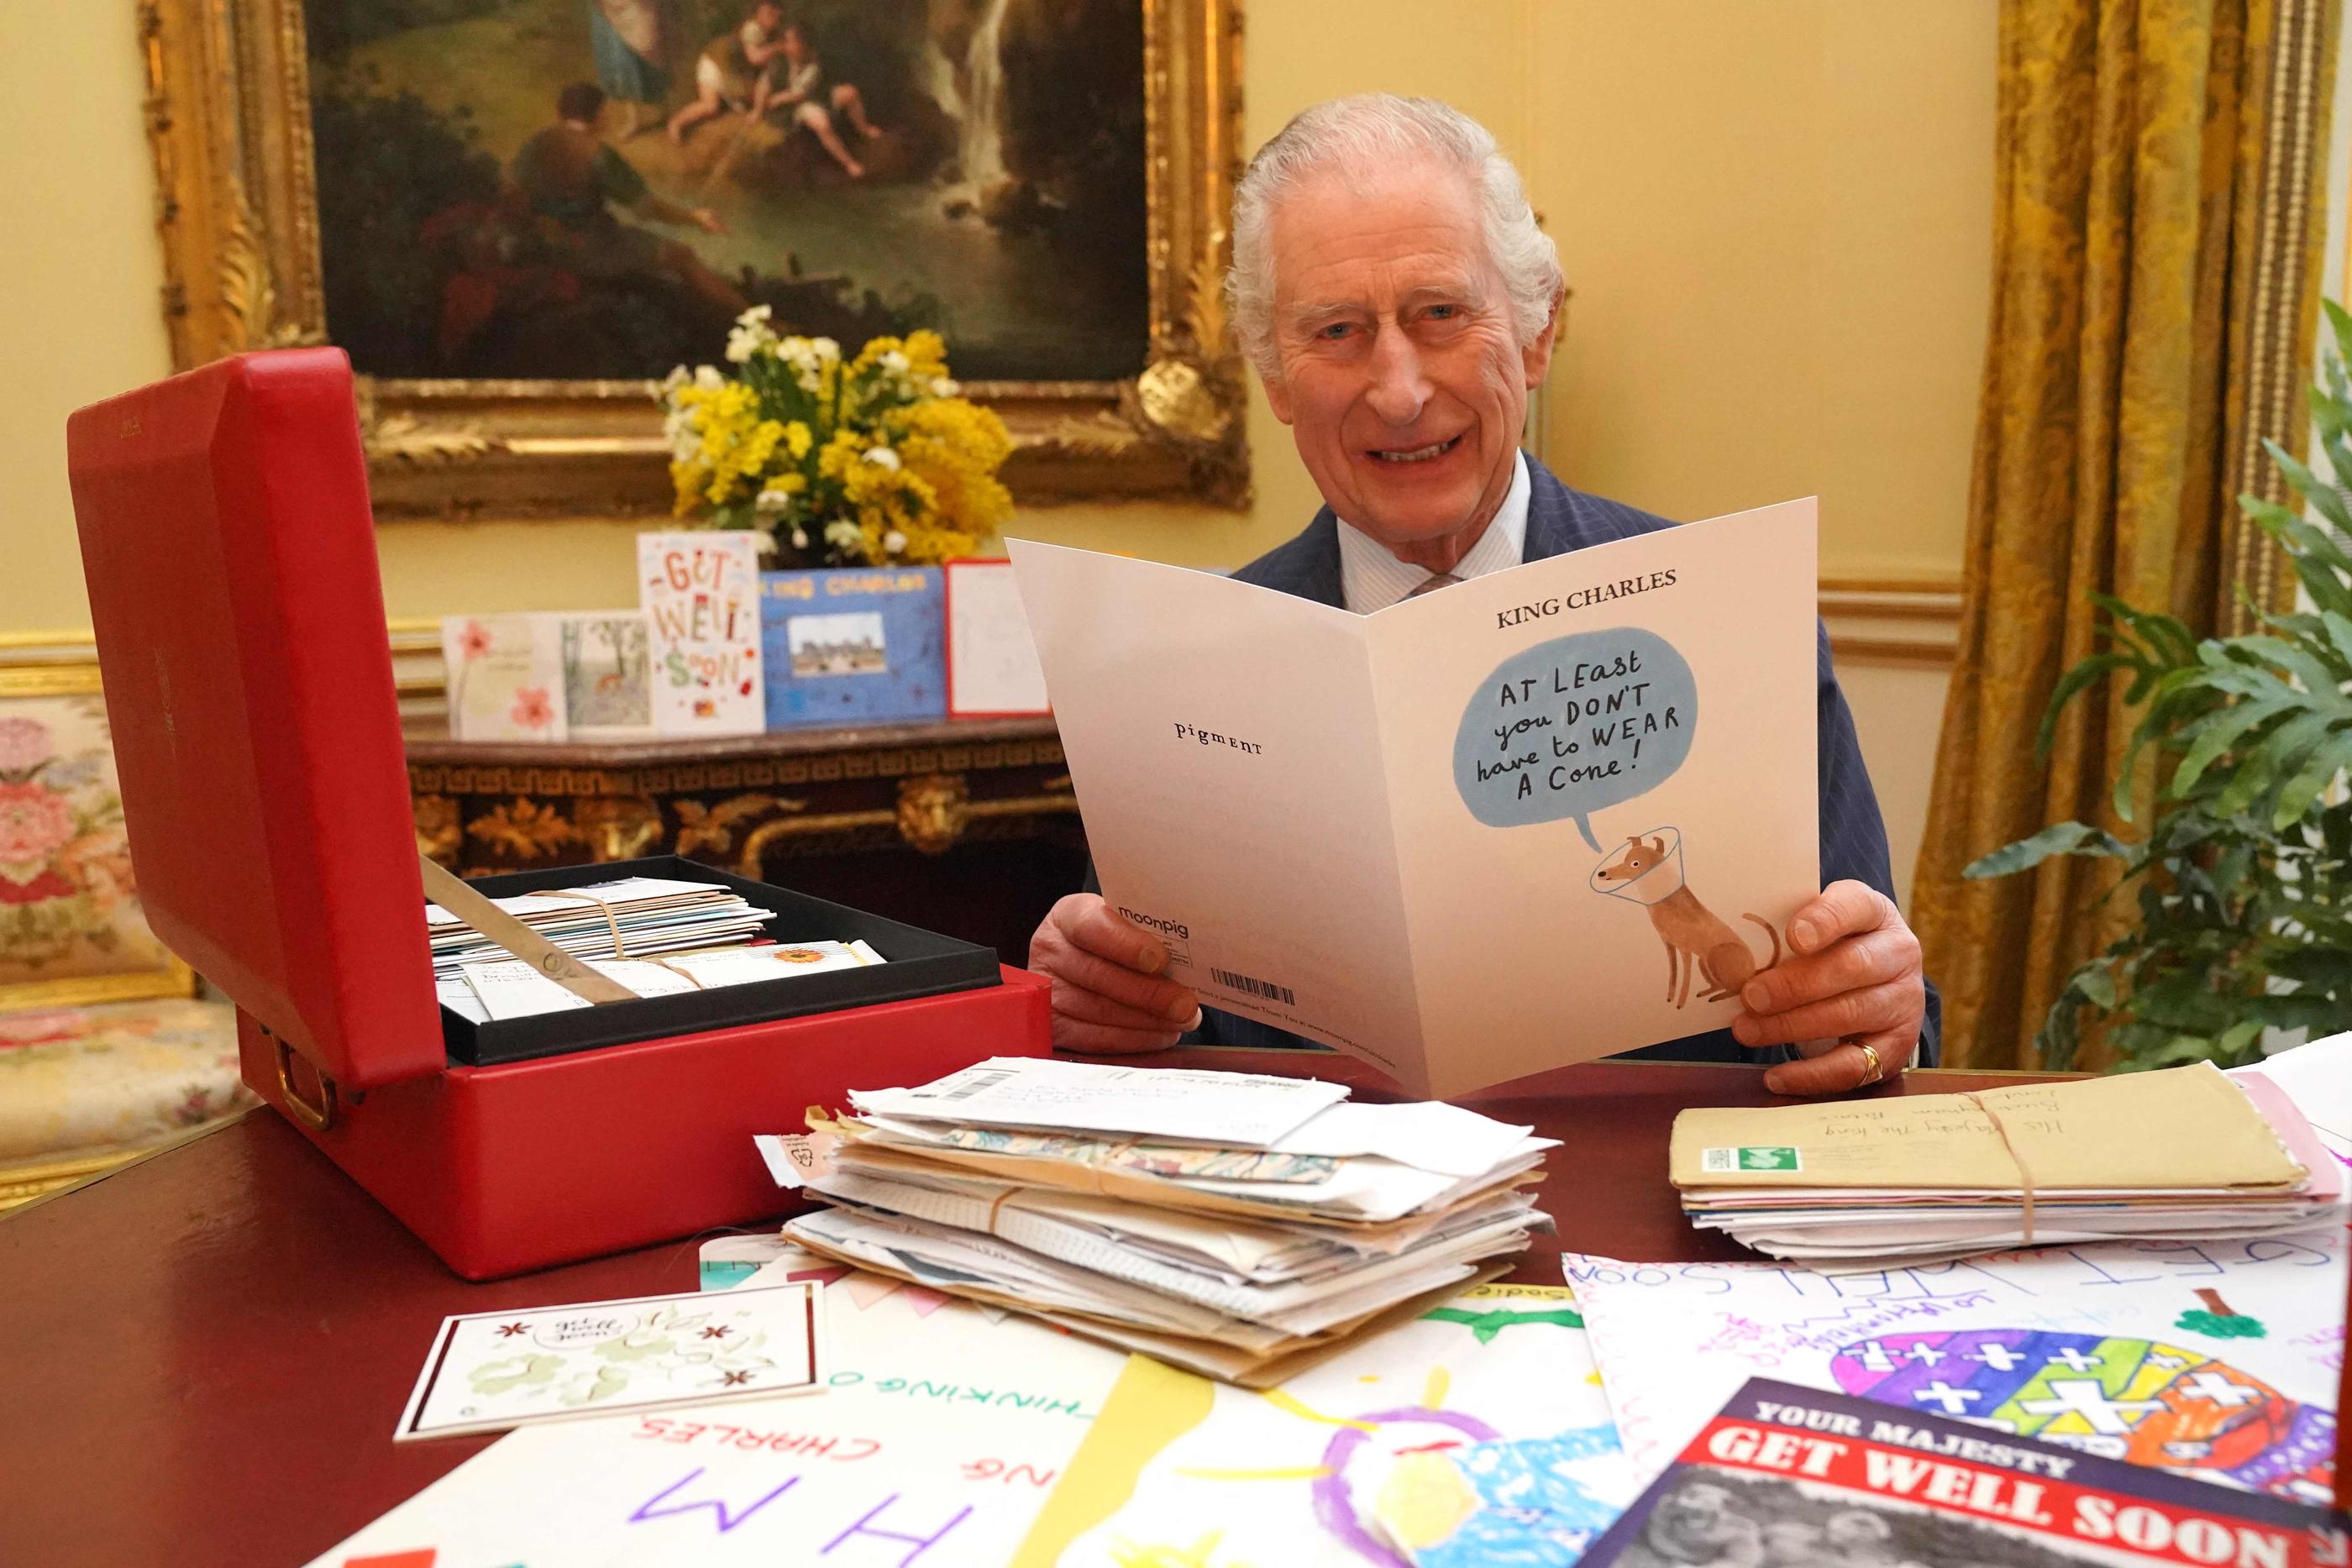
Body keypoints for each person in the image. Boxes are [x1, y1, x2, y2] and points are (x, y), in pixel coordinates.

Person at [1026, 94, 1940, 1099]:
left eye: (1441, 314)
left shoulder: (1730, 622)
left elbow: (1885, 1036)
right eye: (1336, 331)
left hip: (1647, 1216)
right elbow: (1132, 1036)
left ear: (1539, 333)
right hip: (1316, 1235)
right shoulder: (1185, 664)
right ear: (1275, 380)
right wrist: (1083, 1004)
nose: (1400, 389)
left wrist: (1873, 1015)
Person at [513, 82, 746, 319]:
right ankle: (763, 324)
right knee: (682, 256)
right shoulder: (597, 154)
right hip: (592, 248)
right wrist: (694, 217)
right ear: (600, 114)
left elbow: (515, 193)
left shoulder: (534, 145)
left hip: (542, 244)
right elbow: (646, 209)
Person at [760, 21, 883, 179]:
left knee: (850, 92)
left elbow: (800, 92)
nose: (792, 45)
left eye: (795, 41)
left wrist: (778, 98)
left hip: (809, 96)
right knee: (822, 124)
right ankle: (849, 163)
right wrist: (761, 107)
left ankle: (864, 128)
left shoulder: (812, 60)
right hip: (797, 107)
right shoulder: (777, 62)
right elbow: (764, 84)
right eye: (788, 41)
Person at [669, 0, 788, 144]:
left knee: (745, 104)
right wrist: (777, 48)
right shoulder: (753, 28)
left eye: (773, 15)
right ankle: (676, 123)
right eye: (766, 13)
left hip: (732, 74)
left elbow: (764, 76)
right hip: (716, 64)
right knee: (710, 106)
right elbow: (754, 58)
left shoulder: (774, 37)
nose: (769, 18)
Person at [585, 0, 670, 139]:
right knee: (619, 60)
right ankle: (634, 117)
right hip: (606, 8)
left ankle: (663, 108)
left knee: (648, 52)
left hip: (635, 8)